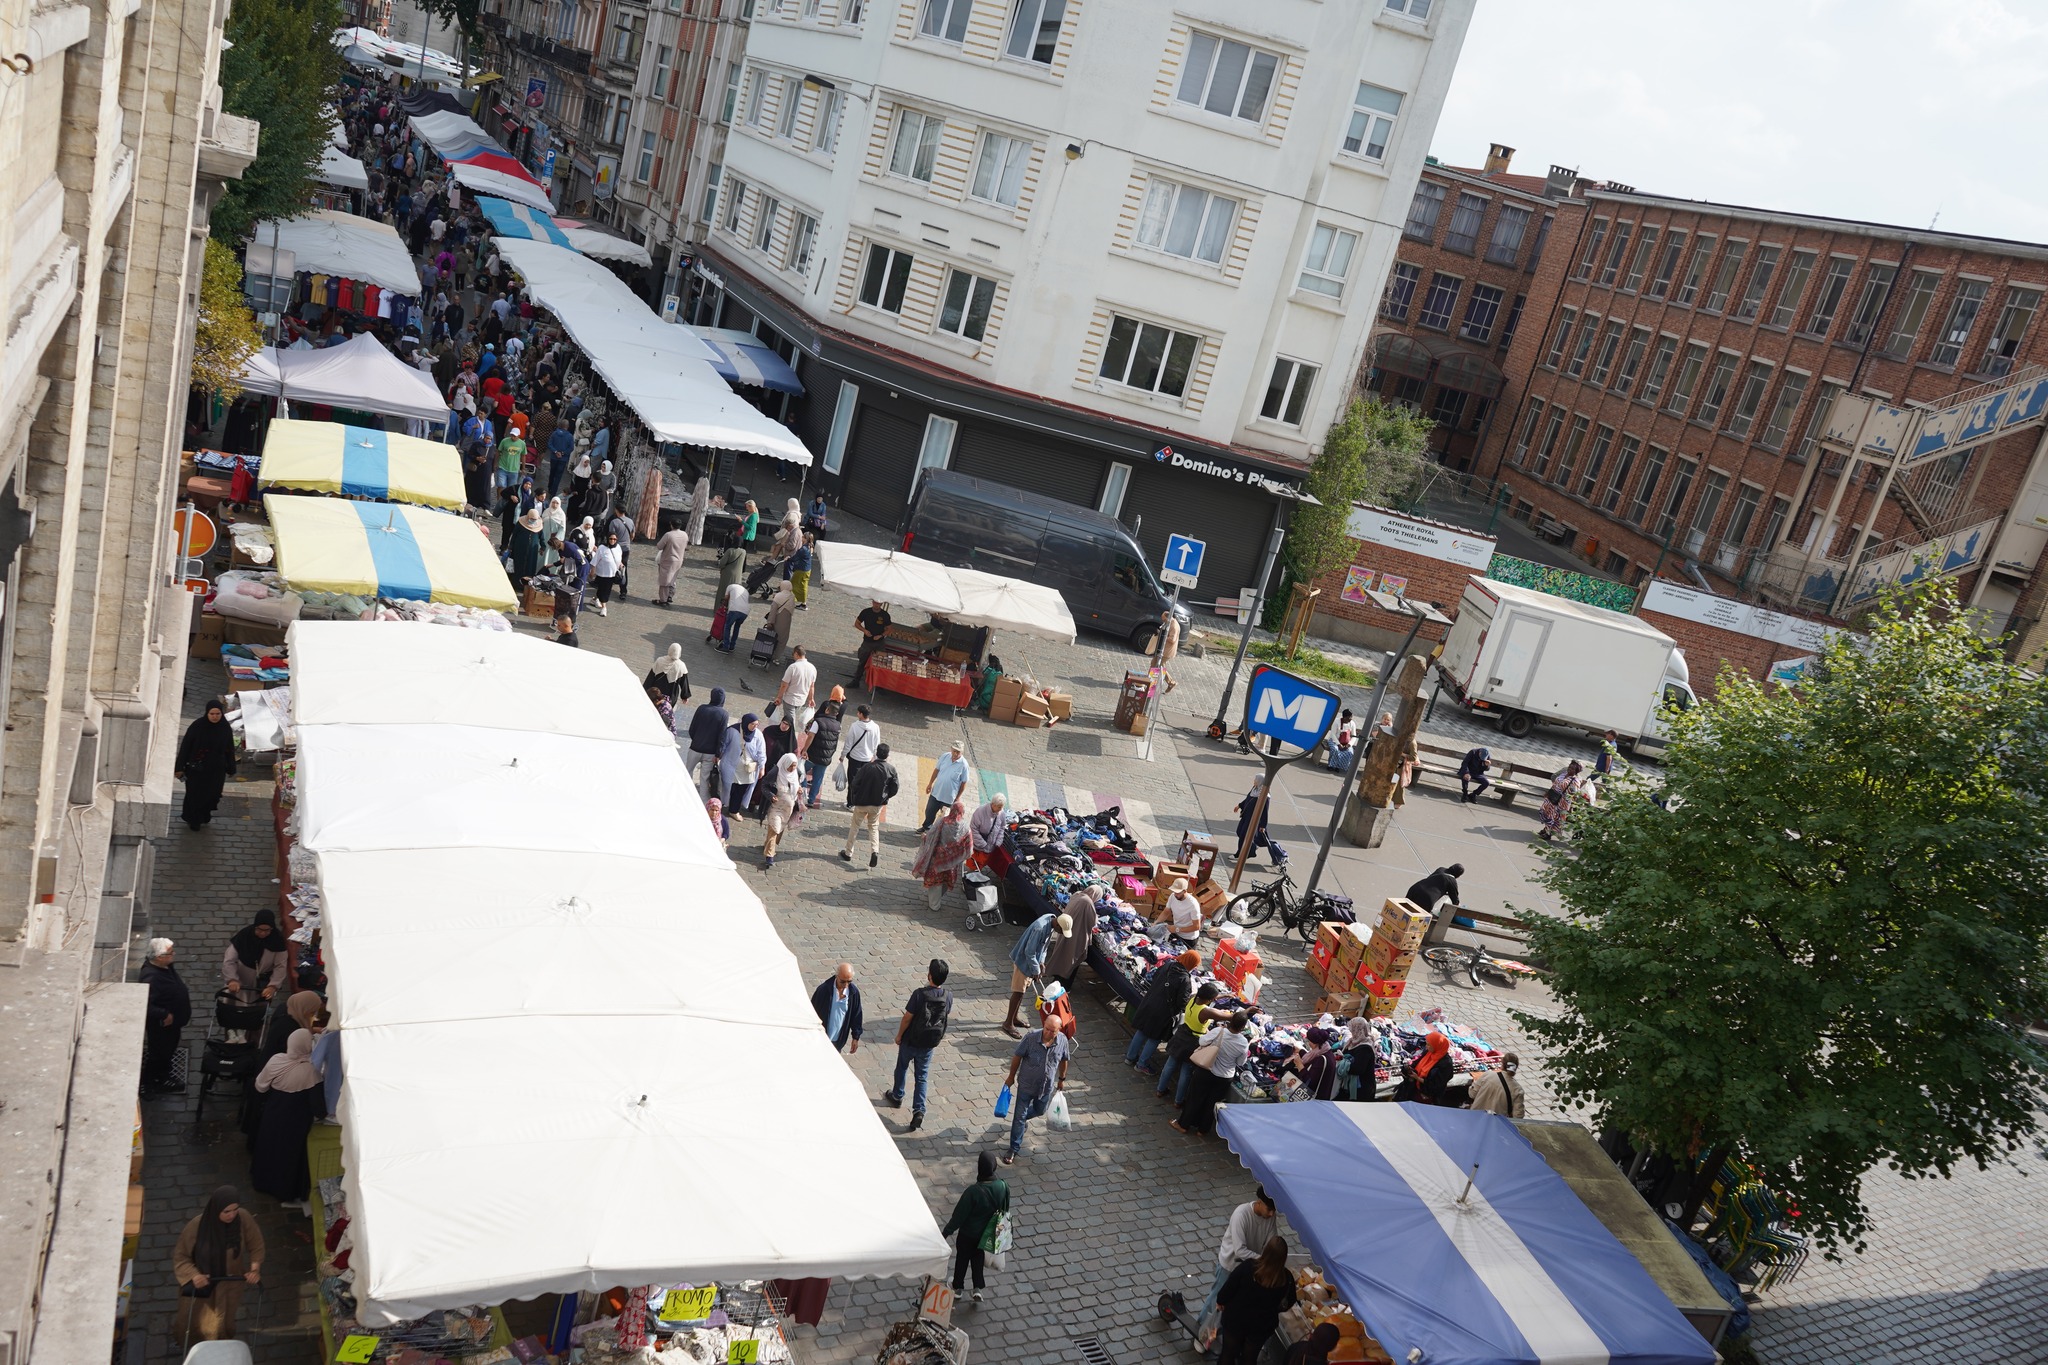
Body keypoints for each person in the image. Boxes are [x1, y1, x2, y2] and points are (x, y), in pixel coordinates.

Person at [172, 1186, 265, 1342]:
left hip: (230, 1284)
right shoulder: (196, 1226)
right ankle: (191, 1343)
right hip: (202, 1285)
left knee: (224, 1318)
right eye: (226, 1212)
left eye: (235, 1210)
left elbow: (256, 1244)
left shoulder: (243, 1219)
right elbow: (181, 1257)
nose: (232, 1215)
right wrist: (194, 1275)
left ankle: (221, 1345)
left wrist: (254, 1270)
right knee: (195, 1319)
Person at [250, 1028, 324, 1208]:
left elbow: (260, 1086)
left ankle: (262, 1182)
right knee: (289, 1156)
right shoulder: (310, 1071)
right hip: (295, 1122)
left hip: (273, 1114)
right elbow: (318, 1108)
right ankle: (285, 1190)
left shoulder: (276, 1060)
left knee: (269, 1148)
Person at [882, 958, 953, 1130]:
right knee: (921, 1077)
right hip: (928, 1044)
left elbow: (907, 1017)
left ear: (929, 975)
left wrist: (899, 1035)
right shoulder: (948, 996)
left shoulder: (919, 994)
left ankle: (897, 1094)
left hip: (911, 1040)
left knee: (902, 1067)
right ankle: (919, 1110)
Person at [1196, 1188, 1277, 1337]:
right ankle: (1202, 1327)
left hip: (1248, 1267)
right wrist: (1264, 1261)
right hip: (1230, 1265)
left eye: (1273, 1210)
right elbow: (1240, 1250)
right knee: (1217, 1298)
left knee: (1233, 1302)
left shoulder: (1270, 1217)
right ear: (1259, 1202)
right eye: (1269, 1209)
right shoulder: (1241, 1215)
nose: (1272, 1214)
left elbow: (1271, 1242)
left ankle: (1217, 1330)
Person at [1214, 1236, 1299, 1365]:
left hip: (1236, 1320)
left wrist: (1221, 1301)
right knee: (1250, 1358)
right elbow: (1290, 1300)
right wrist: (1275, 1308)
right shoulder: (1286, 1278)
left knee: (1228, 1354)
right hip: (1261, 1326)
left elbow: (1229, 1288)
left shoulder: (1248, 1267)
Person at [999, 1012, 1071, 1164]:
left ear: (1059, 1030)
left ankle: (1021, 1119)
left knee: (1040, 1110)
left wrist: (1062, 1079)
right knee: (1019, 1116)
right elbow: (1017, 1056)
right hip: (1026, 1085)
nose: (1049, 1033)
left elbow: (1064, 1060)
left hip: (1046, 1088)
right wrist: (1011, 1077)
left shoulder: (1063, 1041)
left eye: (1053, 1031)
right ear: (1043, 1025)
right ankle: (1013, 1148)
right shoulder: (1031, 1038)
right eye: (1047, 1029)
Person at [940, 1151, 1008, 1301]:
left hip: (967, 1234)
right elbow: (1004, 1210)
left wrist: (945, 1233)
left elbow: (959, 1216)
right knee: (978, 1258)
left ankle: (958, 1287)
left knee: (962, 1259)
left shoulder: (973, 1192)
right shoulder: (1002, 1187)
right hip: (984, 1234)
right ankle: (977, 1288)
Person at [1173, 1008, 1251, 1137]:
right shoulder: (1243, 1043)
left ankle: (1183, 1124)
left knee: (1195, 1097)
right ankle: (1202, 1130)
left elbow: (1201, 1041)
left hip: (1207, 1070)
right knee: (1212, 1102)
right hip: (1225, 1077)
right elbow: (1241, 1062)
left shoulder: (1218, 1031)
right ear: (1243, 1027)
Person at [1125, 949, 1199, 1074]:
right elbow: (1182, 1002)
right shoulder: (1185, 979)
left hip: (1149, 1003)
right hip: (1162, 1013)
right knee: (1154, 1038)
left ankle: (1130, 1057)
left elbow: (1154, 977)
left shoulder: (1168, 965)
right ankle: (1141, 1064)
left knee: (1142, 1031)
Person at [1157, 982, 1230, 1105]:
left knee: (1170, 1064)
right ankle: (1178, 1101)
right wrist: (1247, 1010)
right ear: (1209, 999)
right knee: (1186, 1072)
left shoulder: (1193, 998)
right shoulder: (1206, 1012)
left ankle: (1160, 1090)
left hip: (1181, 1035)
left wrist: (1223, 996)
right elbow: (1229, 1017)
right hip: (1193, 1042)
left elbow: (1205, 996)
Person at [1003, 911, 1072, 1037]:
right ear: (1057, 925)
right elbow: (1029, 952)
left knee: (1022, 991)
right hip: (1023, 962)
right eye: (1061, 931)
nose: (1061, 934)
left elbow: (1043, 947)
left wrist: (1041, 962)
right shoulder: (1040, 928)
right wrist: (1036, 970)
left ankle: (1014, 1018)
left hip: (1031, 963)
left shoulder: (1052, 921)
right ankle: (1008, 1023)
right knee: (1018, 992)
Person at [139, 938, 192, 1098]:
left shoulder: (165, 966)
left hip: (173, 1024)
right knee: (158, 1053)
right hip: (162, 1026)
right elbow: (147, 1004)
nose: (173, 955)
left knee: (168, 1051)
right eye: (170, 953)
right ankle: (148, 1084)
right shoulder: (151, 977)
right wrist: (164, 1014)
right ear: (159, 957)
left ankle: (164, 1075)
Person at [175, 700, 237, 830]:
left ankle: (204, 814)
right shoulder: (197, 726)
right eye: (212, 714)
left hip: (216, 769)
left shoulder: (225, 727)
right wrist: (179, 767)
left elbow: (229, 749)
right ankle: (194, 819)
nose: (215, 716)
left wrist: (231, 767)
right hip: (196, 769)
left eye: (218, 714)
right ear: (207, 713)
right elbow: (186, 747)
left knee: (213, 794)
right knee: (195, 794)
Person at [841, 740, 899, 866]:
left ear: (876, 753)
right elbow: (895, 788)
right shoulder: (891, 769)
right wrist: (886, 797)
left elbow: (855, 783)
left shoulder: (867, 767)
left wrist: (854, 798)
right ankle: (875, 851)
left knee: (855, 827)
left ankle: (848, 852)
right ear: (887, 755)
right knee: (873, 828)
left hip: (862, 803)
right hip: (877, 805)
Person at [911, 799, 974, 909]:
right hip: (952, 862)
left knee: (936, 882)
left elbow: (931, 835)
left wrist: (924, 837)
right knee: (946, 880)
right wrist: (959, 856)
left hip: (937, 859)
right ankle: (936, 900)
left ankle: (934, 904)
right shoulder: (965, 827)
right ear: (962, 812)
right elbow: (969, 848)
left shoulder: (942, 821)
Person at [222, 910, 286, 999]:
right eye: (259, 930)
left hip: (263, 982)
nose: (263, 933)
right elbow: (229, 959)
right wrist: (232, 979)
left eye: (267, 930)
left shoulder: (277, 941)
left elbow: (280, 966)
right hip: (241, 979)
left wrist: (273, 986)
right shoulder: (244, 936)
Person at [1042, 886, 1095, 990]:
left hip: (1065, 928)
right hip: (1077, 935)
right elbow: (1092, 921)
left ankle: (1056, 977)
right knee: (1071, 959)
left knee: (1061, 954)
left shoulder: (1077, 894)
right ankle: (1064, 985)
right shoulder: (1088, 902)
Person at [801, 689, 844, 809]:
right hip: (826, 758)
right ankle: (811, 799)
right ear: (836, 714)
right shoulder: (838, 726)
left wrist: (804, 749)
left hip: (812, 754)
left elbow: (810, 736)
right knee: (818, 779)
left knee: (801, 771)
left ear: (827, 710)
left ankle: (803, 792)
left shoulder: (818, 722)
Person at [761, 753, 803, 868]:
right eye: (790, 766)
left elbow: (798, 785)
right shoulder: (775, 772)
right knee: (774, 828)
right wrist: (771, 796)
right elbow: (764, 785)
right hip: (775, 807)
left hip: (788, 809)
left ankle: (768, 845)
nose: (792, 768)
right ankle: (769, 856)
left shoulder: (796, 773)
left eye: (794, 766)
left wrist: (799, 790)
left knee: (778, 830)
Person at [919, 739, 971, 833]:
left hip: (949, 798)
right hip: (936, 793)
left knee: (944, 819)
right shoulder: (945, 756)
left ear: (962, 752)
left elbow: (964, 783)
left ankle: (937, 835)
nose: (955, 753)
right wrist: (930, 784)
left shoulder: (964, 765)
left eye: (958, 752)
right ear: (951, 749)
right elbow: (936, 770)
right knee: (929, 811)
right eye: (954, 750)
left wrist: (958, 798)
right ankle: (926, 828)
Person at [719, 713, 766, 813]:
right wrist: (718, 756)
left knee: (740, 790)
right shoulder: (732, 730)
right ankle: (724, 804)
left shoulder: (758, 735)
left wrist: (762, 767)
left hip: (746, 769)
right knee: (728, 787)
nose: (754, 727)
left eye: (756, 724)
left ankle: (734, 810)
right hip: (730, 765)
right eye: (752, 724)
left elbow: (761, 752)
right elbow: (724, 744)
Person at [685, 686, 729, 794]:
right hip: (710, 753)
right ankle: (703, 802)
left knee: (687, 772)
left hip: (695, 748)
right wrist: (718, 754)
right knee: (704, 780)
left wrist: (696, 740)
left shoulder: (701, 708)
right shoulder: (723, 714)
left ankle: (685, 794)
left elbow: (692, 729)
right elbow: (722, 736)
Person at [810, 963, 862, 1053]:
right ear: (836, 976)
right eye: (843, 981)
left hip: (838, 1041)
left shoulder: (853, 993)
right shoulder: (823, 990)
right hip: (821, 1038)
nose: (846, 985)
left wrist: (855, 1037)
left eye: (849, 981)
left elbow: (856, 1015)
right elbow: (812, 1013)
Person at [1395, 1030, 1456, 1105]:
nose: (1426, 1047)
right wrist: (1409, 1068)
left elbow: (1437, 1084)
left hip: (1427, 1096)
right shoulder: (1429, 1053)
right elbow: (1417, 1063)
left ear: (1437, 1045)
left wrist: (1418, 1078)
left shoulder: (1446, 1064)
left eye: (1429, 1045)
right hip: (1414, 1089)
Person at [1234, 779, 1286, 866]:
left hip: (1253, 820)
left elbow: (1265, 811)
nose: (1254, 781)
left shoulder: (1265, 796)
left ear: (1260, 782)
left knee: (1244, 835)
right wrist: (1239, 805)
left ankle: (1240, 854)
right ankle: (1252, 847)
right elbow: (1247, 799)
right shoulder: (1255, 789)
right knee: (1239, 832)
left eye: (1256, 780)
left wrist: (1263, 825)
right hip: (1246, 817)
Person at [1282, 1027, 1342, 1100]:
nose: (1308, 1043)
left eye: (1309, 1041)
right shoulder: (1324, 1050)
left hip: (1316, 1098)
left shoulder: (1321, 1059)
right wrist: (1300, 1051)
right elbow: (1311, 1058)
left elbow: (1309, 1081)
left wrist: (1299, 1065)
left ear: (1314, 1043)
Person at [1466, 1052, 1526, 1117]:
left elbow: (1472, 1094)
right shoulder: (1517, 1090)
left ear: (1502, 1064)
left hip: (1476, 1117)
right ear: (1516, 1067)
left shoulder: (1487, 1075)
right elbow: (1518, 1116)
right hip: (1497, 1124)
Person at [775, 644, 818, 735]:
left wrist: (779, 697)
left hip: (790, 699)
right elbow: (812, 686)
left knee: (790, 721)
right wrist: (811, 698)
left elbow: (784, 685)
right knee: (791, 718)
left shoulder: (793, 667)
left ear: (796, 654)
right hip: (801, 700)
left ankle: (790, 738)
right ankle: (789, 735)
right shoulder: (812, 668)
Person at [1538, 760, 1585, 840]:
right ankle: (1546, 829)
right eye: (1570, 767)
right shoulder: (1563, 774)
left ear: (1576, 771)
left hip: (1561, 802)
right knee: (1548, 814)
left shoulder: (1575, 781)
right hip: (1552, 797)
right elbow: (1555, 783)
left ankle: (1548, 834)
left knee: (1554, 818)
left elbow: (1574, 794)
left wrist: (1568, 803)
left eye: (1573, 769)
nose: (1570, 769)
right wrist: (1548, 792)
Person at [849, 600, 890, 683]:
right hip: (867, 642)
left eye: (878, 603)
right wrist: (864, 631)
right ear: (872, 602)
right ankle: (856, 680)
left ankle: (878, 684)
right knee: (862, 661)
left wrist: (881, 635)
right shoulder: (866, 612)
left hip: (879, 643)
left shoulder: (885, 615)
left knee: (881, 663)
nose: (876, 605)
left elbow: (889, 629)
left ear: (881, 604)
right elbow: (857, 623)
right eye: (875, 602)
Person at [644, 643, 691, 709]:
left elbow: (651, 677)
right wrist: (685, 696)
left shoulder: (660, 660)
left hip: (656, 692)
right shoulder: (681, 666)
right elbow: (684, 682)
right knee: (665, 711)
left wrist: (645, 690)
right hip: (670, 695)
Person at [652, 523, 690, 605]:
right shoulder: (684, 534)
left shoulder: (668, 535)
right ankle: (670, 595)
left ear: (671, 525)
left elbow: (659, 546)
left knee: (664, 580)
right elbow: (686, 547)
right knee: (673, 578)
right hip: (679, 560)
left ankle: (663, 600)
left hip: (668, 560)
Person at [1163, 877, 1205, 948]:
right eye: (1174, 892)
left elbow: (1197, 926)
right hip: (1176, 933)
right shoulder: (1173, 896)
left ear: (1185, 891)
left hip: (1188, 939)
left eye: (1178, 892)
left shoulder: (1193, 904)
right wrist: (1156, 922)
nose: (1175, 894)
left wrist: (1177, 929)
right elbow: (1166, 912)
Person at [967, 793, 1010, 864]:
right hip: (978, 848)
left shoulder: (1001, 813)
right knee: (973, 866)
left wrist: (998, 841)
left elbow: (1002, 827)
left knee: (982, 864)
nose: (1001, 809)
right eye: (999, 807)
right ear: (993, 805)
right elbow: (973, 829)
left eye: (1002, 807)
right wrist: (982, 844)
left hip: (990, 848)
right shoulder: (980, 812)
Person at [509, 505, 544, 588]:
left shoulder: (539, 526)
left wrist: (543, 547)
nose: (533, 521)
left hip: (532, 551)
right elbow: (514, 535)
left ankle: (527, 586)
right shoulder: (521, 523)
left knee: (529, 568)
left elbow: (541, 537)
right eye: (532, 519)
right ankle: (516, 584)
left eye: (534, 519)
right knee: (518, 566)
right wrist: (511, 546)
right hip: (519, 549)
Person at [590, 531, 623, 615]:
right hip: (602, 573)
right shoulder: (602, 548)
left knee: (603, 589)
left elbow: (619, 557)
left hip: (612, 574)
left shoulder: (618, 547)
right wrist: (592, 570)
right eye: (611, 539)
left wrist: (620, 564)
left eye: (614, 539)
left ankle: (595, 599)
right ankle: (604, 607)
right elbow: (595, 560)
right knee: (604, 591)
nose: (612, 541)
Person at [719, 577, 750, 652]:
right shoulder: (745, 591)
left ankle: (725, 646)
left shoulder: (730, 586)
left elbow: (726, 598)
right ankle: (732, 646)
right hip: (745, 611)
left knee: (727, 626)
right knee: (737, 627)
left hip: (735, 609)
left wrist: (725, 606)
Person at [786, 533, 814, 607]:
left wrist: (788, 558)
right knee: (803, 586)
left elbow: (795, 558)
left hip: (801, 570)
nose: (801, 538)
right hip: (807, 569)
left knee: (793, 584)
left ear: (805, 539)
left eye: (803, 537)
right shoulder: (809, 547)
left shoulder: (803, 549)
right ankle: (803, 603)